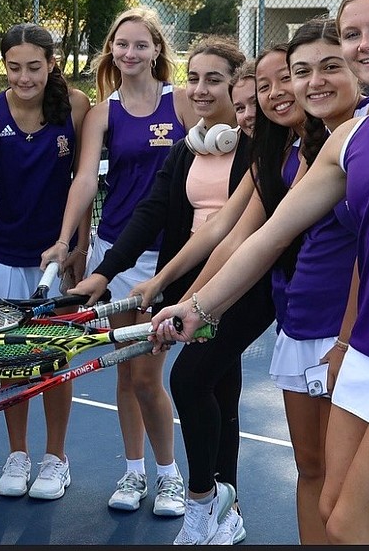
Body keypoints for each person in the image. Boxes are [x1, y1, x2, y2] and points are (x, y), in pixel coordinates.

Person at [152, 0, 369, 545]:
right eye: (354, 33)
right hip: (367, 351)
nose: (367, 43)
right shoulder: (351, 137)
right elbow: (268, 236)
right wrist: (198, 305)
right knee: (336, 507)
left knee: (357, 526)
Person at [71, 35, 276, 544]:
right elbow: (154, 211)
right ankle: (225, 506)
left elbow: (234, 236)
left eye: (215, 80)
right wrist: (111, 271)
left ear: (237, 87)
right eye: (195, 78)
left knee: (195, 381)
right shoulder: (191, 148)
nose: (201, 89)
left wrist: (189, 300)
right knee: (218, 389)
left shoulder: (260, 146)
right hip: (189, 279)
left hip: (239, 283)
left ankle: (205, 500)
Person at [39, 7, 191, 515]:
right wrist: (66, 241)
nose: (130, 53)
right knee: (127, 373)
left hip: (168, 257)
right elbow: (84, 180)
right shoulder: (104, 112)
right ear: (112, 52)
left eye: (140, 45)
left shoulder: (185, 103)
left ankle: (171, 476)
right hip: (116, 254)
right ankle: (133, 473)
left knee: (149, 376)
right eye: (121, 45)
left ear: (157, 51)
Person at [0, 22, 91, 500]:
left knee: (53, 361)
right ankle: (17, 454)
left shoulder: (77, 108)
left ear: (51, 64)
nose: (23, 77)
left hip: (55, 264)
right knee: (9, 361)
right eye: (13, 67)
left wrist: (78, 249)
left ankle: (55, 457)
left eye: (34, 67)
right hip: (2, 256)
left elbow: (83, 183)